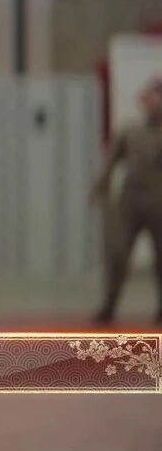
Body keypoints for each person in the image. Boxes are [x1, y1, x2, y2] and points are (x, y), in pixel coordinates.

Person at [91, 76, 162, 325]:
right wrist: (100, 187)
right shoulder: (131, 132)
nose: (156, 102)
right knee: (118, 253)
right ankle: (109, 305)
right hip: (130, 201)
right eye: (152, 96)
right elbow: (111, 161)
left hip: (159, 202)